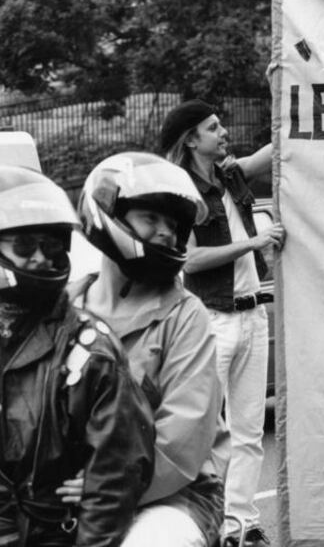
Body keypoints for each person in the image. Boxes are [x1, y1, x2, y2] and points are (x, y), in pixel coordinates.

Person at [0, 165, 154, 546]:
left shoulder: (90, 351)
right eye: (23, 245)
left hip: (55, 534)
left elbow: (114, 482)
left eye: (52, 246)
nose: (40, 258)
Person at [62, 152, 229, 546]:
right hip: (69, 489)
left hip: (172, 496)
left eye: (172, 224)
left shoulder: (186, 316)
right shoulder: (63, 309)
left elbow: (182, 439)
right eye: (150, 218)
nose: (166, 233)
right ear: (110, 214)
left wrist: (102, 487)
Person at [161, 99, 285, 546]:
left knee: (250, 433)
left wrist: (300, 104)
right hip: (213, 319)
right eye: (213, 127)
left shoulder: (231, 175)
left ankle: (242, 526)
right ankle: (206, 525)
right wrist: (252, 241)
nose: (224, 131)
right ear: (191, 139)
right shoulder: (183, 194)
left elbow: (272, 152)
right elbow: (190, 259)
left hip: (252, 313)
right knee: (209, 433)